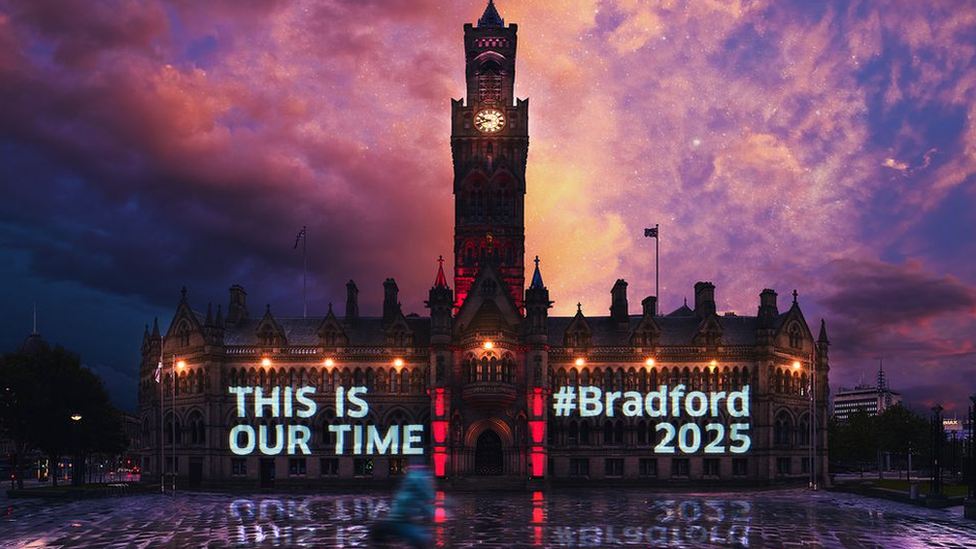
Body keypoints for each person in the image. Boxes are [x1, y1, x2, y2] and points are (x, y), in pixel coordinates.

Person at [370, 457, 435, 548]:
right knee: (421, 539)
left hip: (394, 526)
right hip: (398, 526)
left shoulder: (407, 492)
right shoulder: (416, 484)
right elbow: (425, 501)